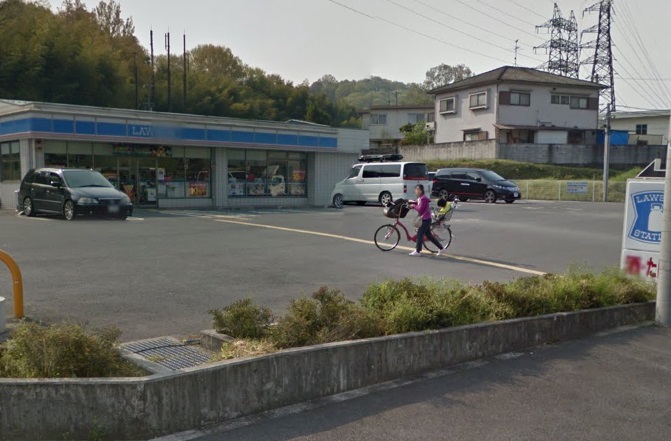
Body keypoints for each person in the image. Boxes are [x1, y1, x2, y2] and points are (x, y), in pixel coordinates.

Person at [408, 184, 448, 257]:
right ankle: (441, 248)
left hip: (425, 220)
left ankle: (417, 251)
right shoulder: (420, 198)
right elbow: (417, 203)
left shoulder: (423, 198)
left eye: (418, 189)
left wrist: (413, 206)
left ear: (422, 190)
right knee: (429, 235)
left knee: (419, 235)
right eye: (416, 189)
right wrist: (411, 202)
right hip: (426, 219)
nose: (417, 191)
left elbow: (420, 209)